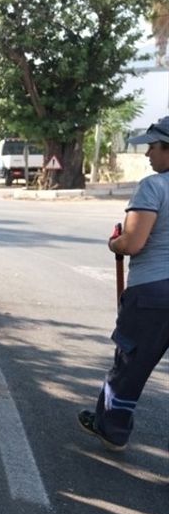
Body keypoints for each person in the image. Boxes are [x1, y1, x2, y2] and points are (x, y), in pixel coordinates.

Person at [78, 116, 169, 451]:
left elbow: (132, 244)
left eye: (153, 146)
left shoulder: (154, 187)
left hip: (153, 295)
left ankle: (111, 429)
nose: (148, 154)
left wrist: (114, 242)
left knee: (129, 366)